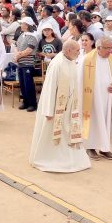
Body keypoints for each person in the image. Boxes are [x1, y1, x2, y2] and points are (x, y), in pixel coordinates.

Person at [30, 39, 90, 173]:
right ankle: (53, 159)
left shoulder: (71, 61)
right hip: (55, 109)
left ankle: (70, 159)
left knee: (68, 133)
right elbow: (49, 89)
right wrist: (49, 110)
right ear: (68, 50)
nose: (79, 53)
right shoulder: (57, 64)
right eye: (77, 50)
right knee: (55, 135)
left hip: (69, 108)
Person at [80, 36, 112, 161]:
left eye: (111, 48)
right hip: (92, 99)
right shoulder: (87, 59)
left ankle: (104, 148)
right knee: (93, 121)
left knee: (106, 121)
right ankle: (90, 147)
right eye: (107, 48)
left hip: (107, 98)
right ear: (98, 48)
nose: (110, 50)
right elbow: (79, 78)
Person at [15, 17, 39, 112]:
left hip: (28, 63)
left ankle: (33, 103)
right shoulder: (22, 35)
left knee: (28, 84)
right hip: (21, 63)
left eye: (22, 24)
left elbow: (29, 50)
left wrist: (17, 56)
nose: (21, 25)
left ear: (27, 25)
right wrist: (17, 55)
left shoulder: (33, 36)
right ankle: (25, 102)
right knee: (22, 84)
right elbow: (17, 47)